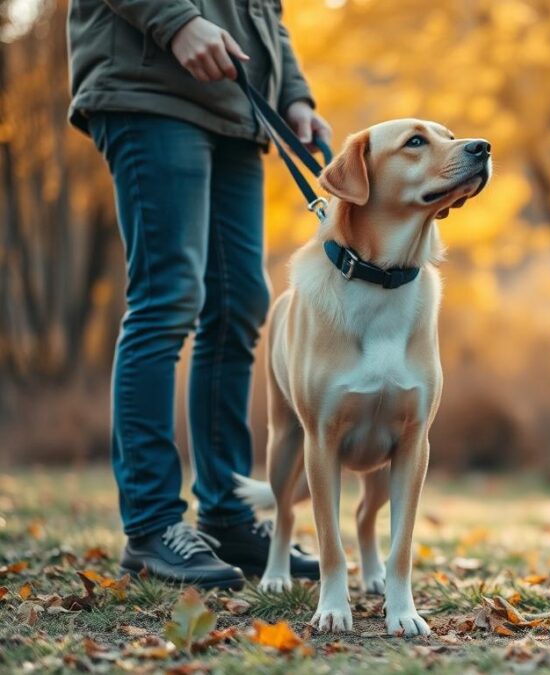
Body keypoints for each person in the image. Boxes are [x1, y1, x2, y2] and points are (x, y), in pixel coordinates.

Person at [67, 0, 330, 589]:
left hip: (238, 109)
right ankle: (152, 523)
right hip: (150, 85)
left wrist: (294, 94)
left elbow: (266, 11)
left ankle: (228, 514)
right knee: (168, 298)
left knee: (240, 304)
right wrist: (175, 21)